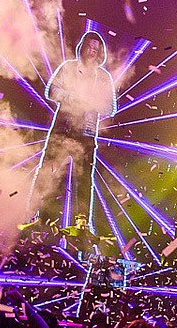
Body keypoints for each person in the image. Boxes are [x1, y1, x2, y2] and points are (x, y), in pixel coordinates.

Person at [32, 31, 117, 226]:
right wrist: (72, 97)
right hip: (62, 128)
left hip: (87, 133)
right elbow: (51, 91)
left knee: (84, 178)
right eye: (90, 46)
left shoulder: (103, 77)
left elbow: (110, 108)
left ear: (101, 53)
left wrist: (93, 102)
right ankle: (38, 217)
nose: (92, 51)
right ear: (82, 47)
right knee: (48, 171)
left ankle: (82, 223)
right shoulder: (68, 67)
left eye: (96, 48)